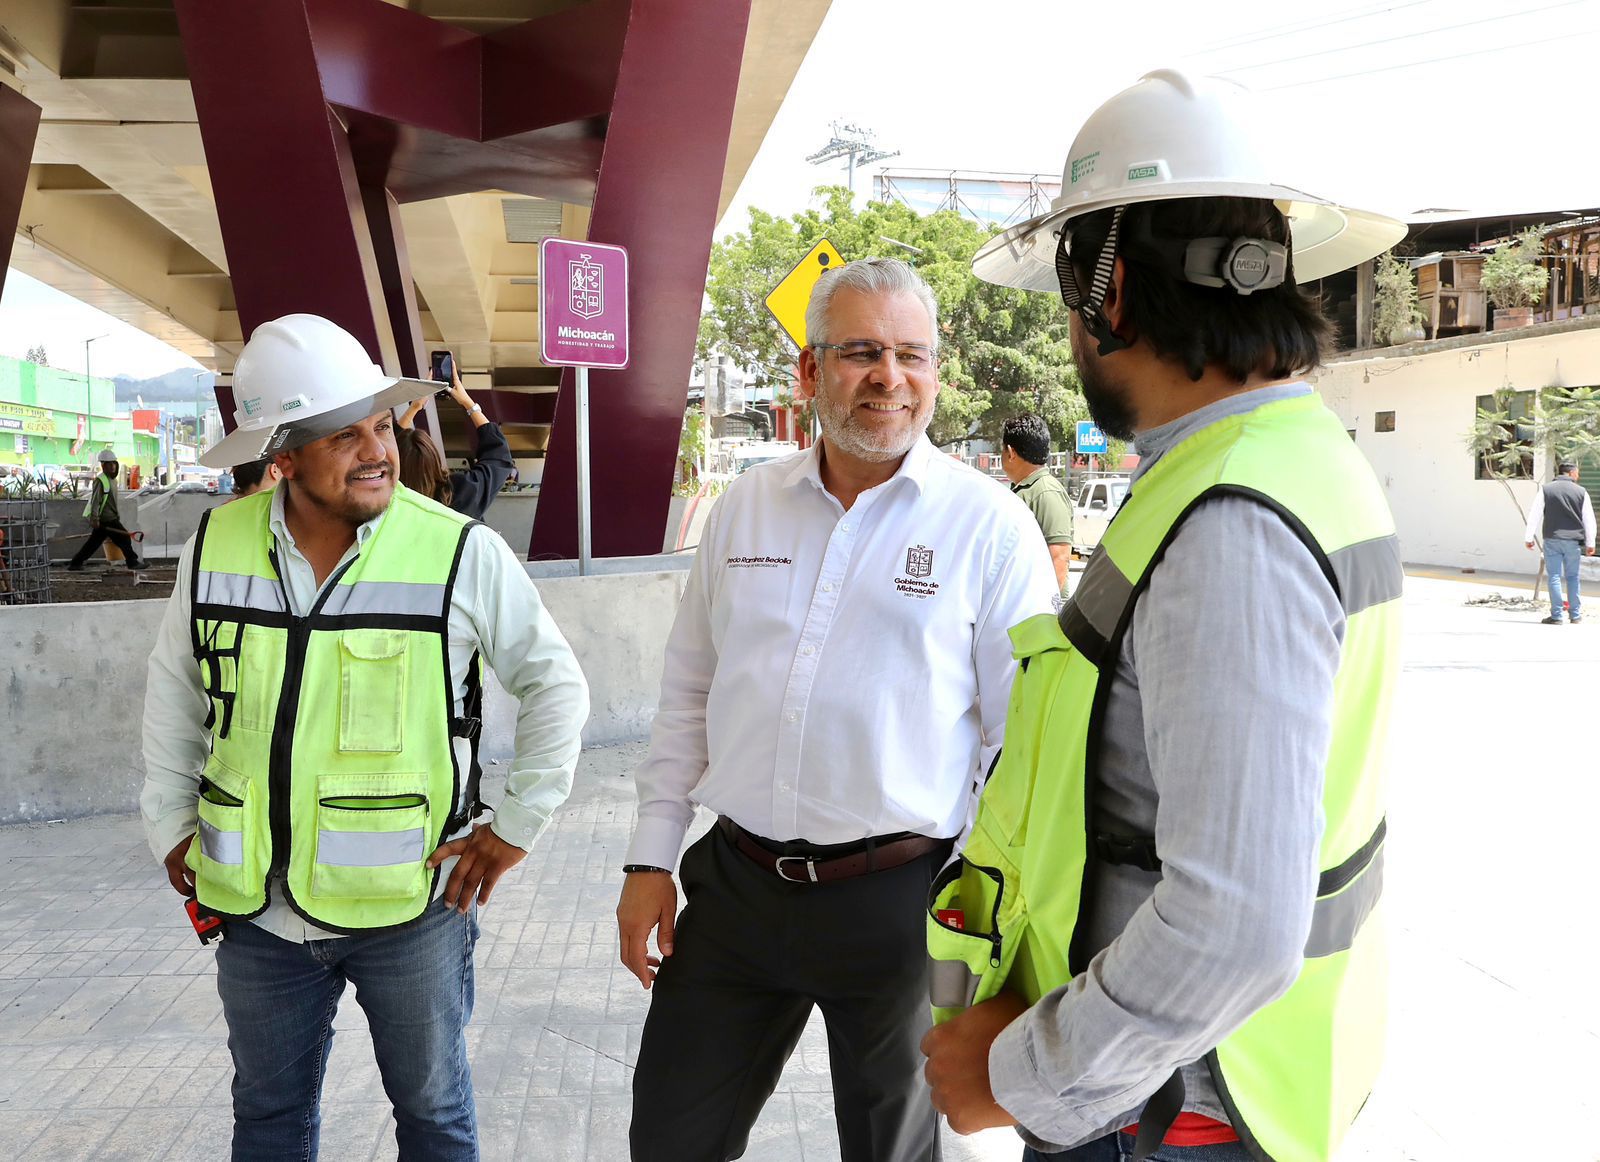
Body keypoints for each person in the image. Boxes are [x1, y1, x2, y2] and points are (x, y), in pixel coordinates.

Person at [921, 70, 1406, 1162]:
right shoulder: (1295, 462)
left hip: (1172, 1113)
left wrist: (1016, 1073)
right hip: (1211, 1093)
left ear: (1107, 297)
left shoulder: (1231, 519)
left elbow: (1232, 928)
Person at [618, 258, 1057, 1162]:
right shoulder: (747, 506)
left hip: (901, 905)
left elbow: (1022, 742)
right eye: (860, 352)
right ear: (811, 372)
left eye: (912, 355)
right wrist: (648, 858)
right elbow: (689, 691)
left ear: (936, 374)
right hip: (736, 893)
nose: (889, 378)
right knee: (670, 1137)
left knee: (892, 1154)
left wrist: (989, 914)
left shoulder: (987, 524)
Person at [139, 313, 590, 1160]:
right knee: (268, 1121)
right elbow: (176, 694)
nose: (377, 449)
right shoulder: (218, 543)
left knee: (433, 1120)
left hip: (413, 911)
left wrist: (518, 825)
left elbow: (555, 685)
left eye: (381, 425)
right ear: (283, 454)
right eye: (344, 436)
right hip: (255, 913)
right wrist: (168, 823)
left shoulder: (459, 550)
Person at [397, 358, 514, 519]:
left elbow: (388, 446)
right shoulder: (459, 493)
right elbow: (499, 458)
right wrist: (468, 402)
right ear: (435, 460)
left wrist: (414, 407)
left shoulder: (385, 500)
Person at [1001, 413, 1074, 592]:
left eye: (1001, 450)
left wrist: (1045, 612)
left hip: (1038, 611)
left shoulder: (1046, 492)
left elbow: (1060, 556)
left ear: (1010, 453)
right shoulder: (1025, 489)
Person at [1523, 460, 1595, 623]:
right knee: (1573, 577)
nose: (1578, 475)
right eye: (1577, 472)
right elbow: (1589, 520)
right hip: (1573, 542)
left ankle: (1556, 616)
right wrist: (1591, 543)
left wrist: (1529, 538)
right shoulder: (1581, 492)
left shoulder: (1546, 490)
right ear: (1570, 473)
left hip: (1552, 539)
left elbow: (1534, 514)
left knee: (1554, 576)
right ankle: (1575, 615)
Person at [67, 448, 146, 570]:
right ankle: (132, 562)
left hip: (109, 517)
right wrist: (94, 518)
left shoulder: (112, 480)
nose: (112, 466)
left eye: (114, 463)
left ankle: (75, 563)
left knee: (93, 543)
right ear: (103, 466)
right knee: (124, 538)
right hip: (106, 518)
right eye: (109, 464)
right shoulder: (101, 480)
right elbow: (95, 501)